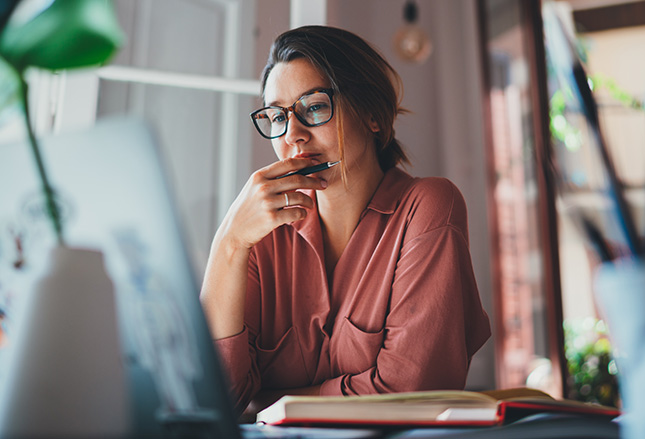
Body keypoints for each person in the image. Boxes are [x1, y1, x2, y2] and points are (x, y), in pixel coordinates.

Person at [200, 25, 491, 416]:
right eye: (277, 116)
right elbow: (214, 399)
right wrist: (229, 243)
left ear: (372, 114)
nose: (294, 137)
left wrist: (269, 403)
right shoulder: (260, 235)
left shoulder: (427, 206)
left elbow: (410, 391)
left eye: (315, 106)